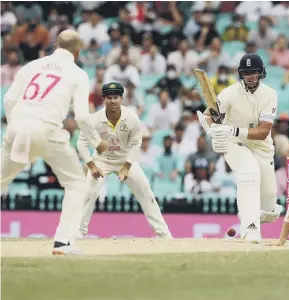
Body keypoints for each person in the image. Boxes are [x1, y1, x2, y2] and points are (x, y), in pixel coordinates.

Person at [1, 30, 107, 255]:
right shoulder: (78, 74)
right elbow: (80, 116)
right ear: (77, 51)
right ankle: (63, 242)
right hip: (47, 129)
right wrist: (98, 143)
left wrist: (16, 127)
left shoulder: (31, 66)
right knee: (76, 183)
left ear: (55, 45)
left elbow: (8, 100)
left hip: (16, 126)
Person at [197, 53, 282, 242]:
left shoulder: (269, 95)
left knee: (268, 205)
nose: (250, 77)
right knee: (248, 171)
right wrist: (211, 130)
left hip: (261, 146)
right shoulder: (229, 93)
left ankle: (250, 214)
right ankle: (250, 229)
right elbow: (209, 115)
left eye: (254, 72)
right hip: (234, 143)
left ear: (261, 73)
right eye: (246, 73)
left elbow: (262, 131)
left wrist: (232, 130)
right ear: (240, 74)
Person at [77, 82, 172, 239]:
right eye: (109, 98)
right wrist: (92, 166)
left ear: (121, 99)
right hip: (101, 160)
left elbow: (136, 143)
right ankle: (79, 233)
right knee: (89, 193)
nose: (113, 101)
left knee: (146, 193)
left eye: (116, 97)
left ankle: (164, 234)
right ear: (104, 99)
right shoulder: (94, 119)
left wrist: (127, 166)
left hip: (125, 160)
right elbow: (81, 144)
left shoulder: (131, 118)